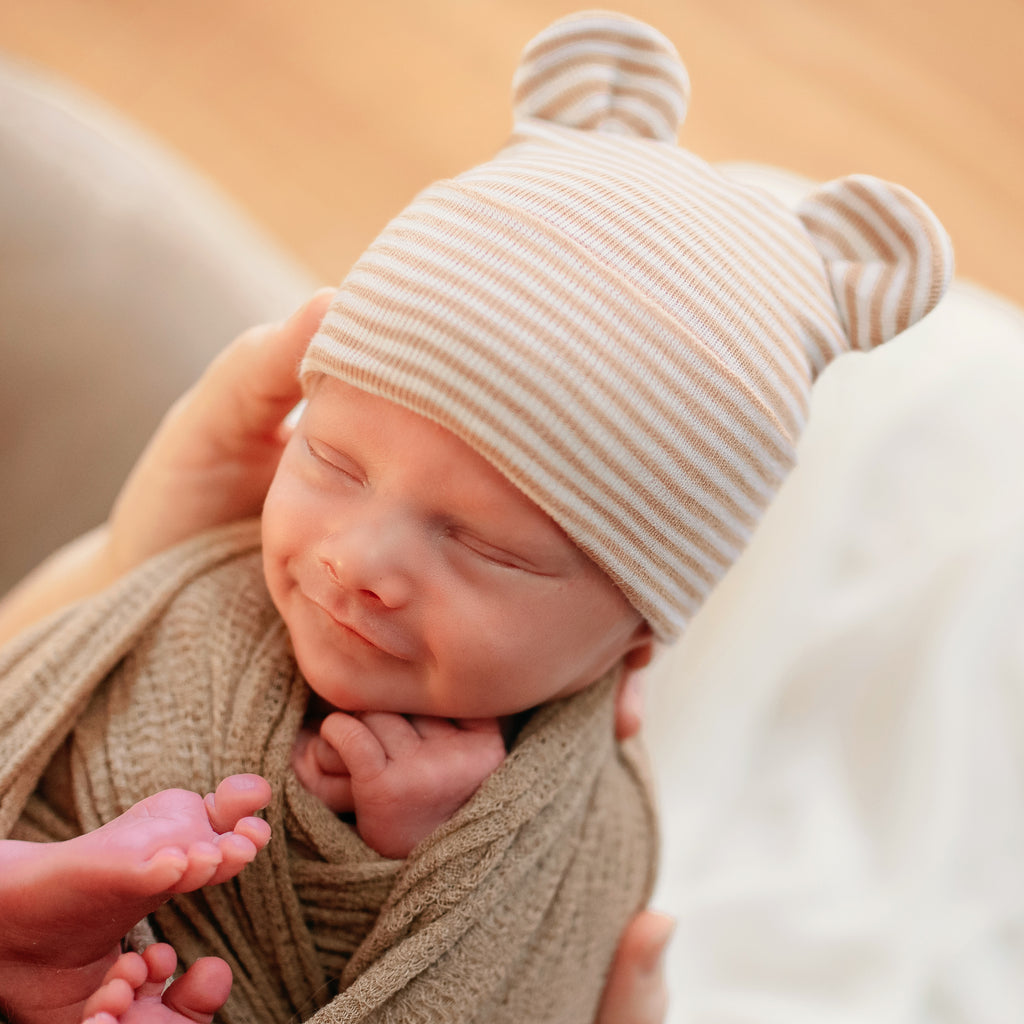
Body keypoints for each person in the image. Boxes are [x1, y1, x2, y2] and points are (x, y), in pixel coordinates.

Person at [0, 10, 952, 1024]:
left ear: (633, 630)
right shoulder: (181, 587)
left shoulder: (587, 834)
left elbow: (535, 978)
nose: (359, 560)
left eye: (490, 547)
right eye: (330, 459)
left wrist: (438, 853)